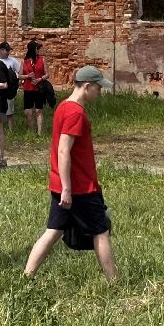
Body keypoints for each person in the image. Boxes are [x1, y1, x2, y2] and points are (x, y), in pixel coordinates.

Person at [24, 65, 118, 284]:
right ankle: (115, 283)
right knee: (101, 232)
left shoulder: (64, 106)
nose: (100, 92)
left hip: (63, 185)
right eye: (98, 88)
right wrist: (68, 188)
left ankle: (26, 277)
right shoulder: (75, 112)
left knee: (54, 231)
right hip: (79, 187)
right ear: (87, 86)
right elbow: (63, 150)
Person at [20, 40, 48, 136]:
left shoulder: (42, 60)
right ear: (32, 49)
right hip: (28, 88)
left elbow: (47, 74)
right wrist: (27, 76)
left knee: (38, 110)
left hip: (39, 88)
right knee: (28, 112)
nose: (38, 50)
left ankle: (39, 133)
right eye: (37, 48)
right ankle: (31, 131)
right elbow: (19, 76)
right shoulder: (24, 61)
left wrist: (40, 79)